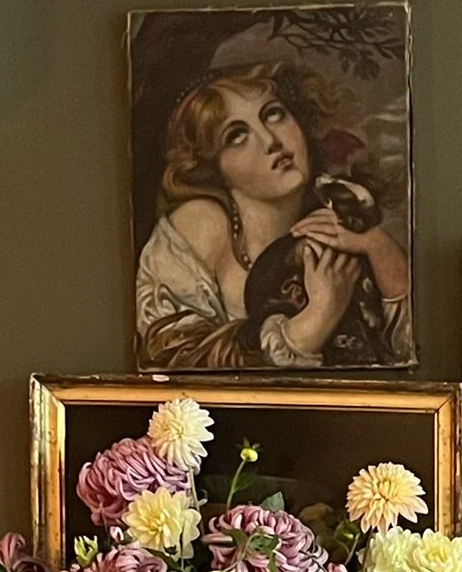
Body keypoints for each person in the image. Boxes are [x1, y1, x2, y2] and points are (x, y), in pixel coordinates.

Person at [136, 58, 412, 370]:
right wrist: (314, 320)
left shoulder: (344, 209)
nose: (271, 141)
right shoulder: (198, 227)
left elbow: (404, 355)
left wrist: (378, 247)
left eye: (274, 114)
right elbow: (172, 360)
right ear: (213, 167)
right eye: (236, 135)